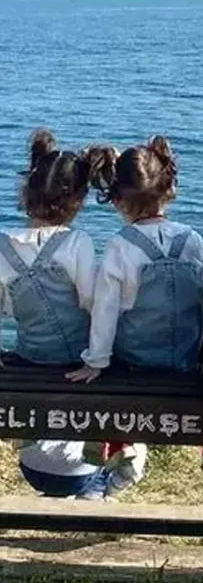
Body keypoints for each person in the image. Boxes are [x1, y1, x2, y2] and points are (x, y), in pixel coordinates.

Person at [65, 137, 203, 488]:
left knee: (109, 374)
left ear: (119, 200)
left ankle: (121, 442)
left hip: (136, 358)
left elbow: (106, 310)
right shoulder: (191, 239)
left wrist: (96, 360)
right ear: (168, 189)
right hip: (186, 357)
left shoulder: (120, 246)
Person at [1, 130, 142, 498]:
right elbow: (92, 303)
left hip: (30, 358)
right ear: (78, 201)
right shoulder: (77, 243)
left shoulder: (2, 244)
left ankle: (35, 431)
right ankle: (114, 442)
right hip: (77, 363)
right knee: (120, 359)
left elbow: (5, 308)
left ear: (27, 192)